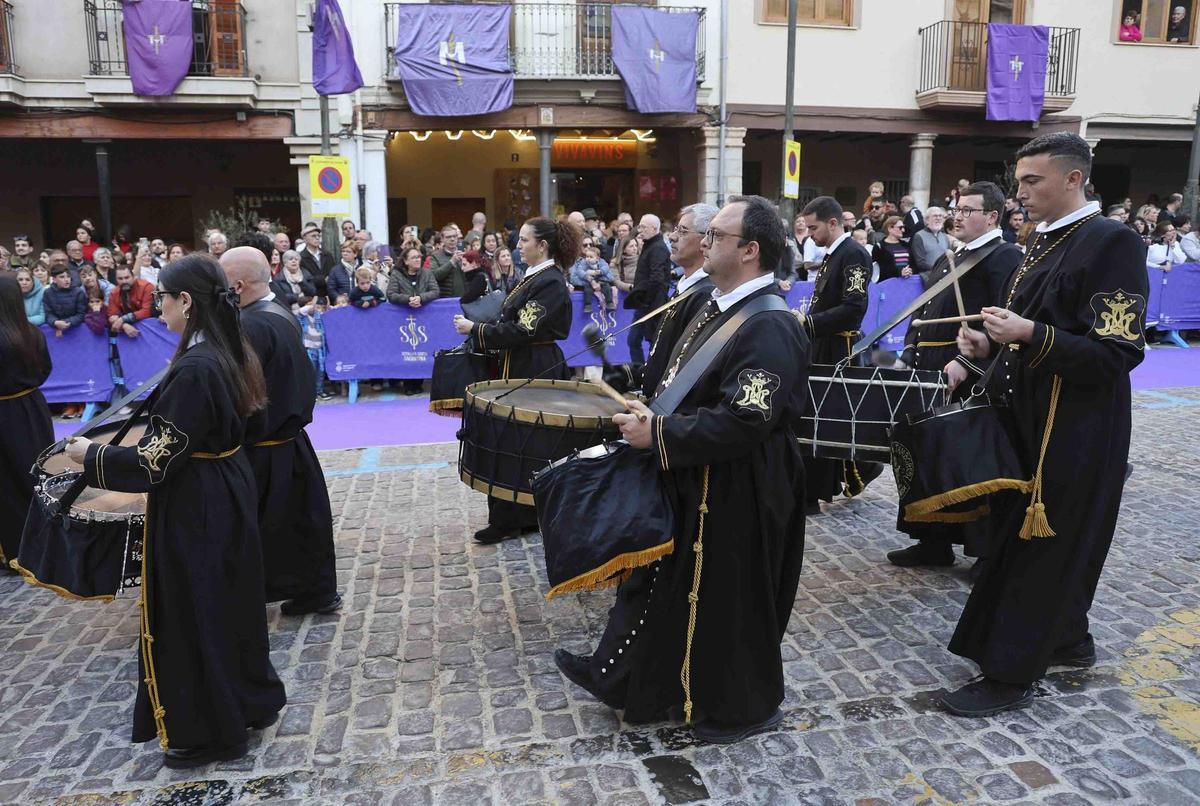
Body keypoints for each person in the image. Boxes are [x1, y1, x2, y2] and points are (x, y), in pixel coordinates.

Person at [555, 195, 809, 744]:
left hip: (742, 484)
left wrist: (662, 434)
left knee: (732, 600)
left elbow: (747, 419)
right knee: (671, 585)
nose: (703, 242)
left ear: (749, 250)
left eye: (716, 235)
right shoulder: (719, 305)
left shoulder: (769, 324)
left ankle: (746, 707)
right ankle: (626, 677)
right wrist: (653, 411)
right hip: (702, 471)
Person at [941, 132, 1149, 717]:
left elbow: (1116, 350)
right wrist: (987, 344)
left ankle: (1010, 673)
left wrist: (1029, 335)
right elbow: (1034, 327)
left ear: (1074, 178)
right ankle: (1067, 639)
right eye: (1019, 181)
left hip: (1075, 426)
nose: (1019, 193)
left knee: (1045, 545)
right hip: (1029, 417)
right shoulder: (1043, 242)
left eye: (1032, 181)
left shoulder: (1112, 241)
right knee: (1038, 539)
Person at [63, 254, 286, 767]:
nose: (157, 305)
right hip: (223, 487)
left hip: (198, 503)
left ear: (186, 301)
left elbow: (155, 459)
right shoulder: (228, 349)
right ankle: (247, 702)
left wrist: (89, 456)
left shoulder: (197, 366)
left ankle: (214, 729)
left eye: (162, 296)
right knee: (229, 602)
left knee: (197, 611)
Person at [890, 182, 1024, 571]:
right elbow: (924, 312)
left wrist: (969, 364)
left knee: (969, 462)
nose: (957, 216)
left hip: (966, 373)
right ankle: (932, 542)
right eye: (957, 208)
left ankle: (984, 551)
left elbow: (1004, 321)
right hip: (929, 369)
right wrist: (910, 354)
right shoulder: (950, 257)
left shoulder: (1003, 258)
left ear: (992, 217)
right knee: (929, 454)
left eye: (968, 210)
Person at [220, 247, 342, 615]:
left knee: (263, 528)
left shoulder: (250, 325)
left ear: (238, 286)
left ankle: (251, 598)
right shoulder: (276, 312)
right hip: (287, 440)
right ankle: (315, 590)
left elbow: (240, 393)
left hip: (263, 443)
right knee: (304, 522)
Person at [452, 217, 577, 545]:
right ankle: (515, 514)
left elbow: (525, 329)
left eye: (524, 240)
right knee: (514, 439)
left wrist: (476, 330)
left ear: (542, 246)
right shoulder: (533, 277)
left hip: (534, 366)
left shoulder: (549, 281)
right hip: (519, 362)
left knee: (523, 440)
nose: (518, 245)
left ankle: (514, 517)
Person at [798, 196, 881, 512]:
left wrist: (809, 322)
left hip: (838, 346)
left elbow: (853, 309)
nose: (810, 235)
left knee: (827, 417)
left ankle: (818, 489)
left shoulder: (854, 255)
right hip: (823, 342)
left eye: (814, 227)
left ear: (833, 223)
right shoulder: (832, 254)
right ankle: (853, 471)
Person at [0, 274, 54, 568]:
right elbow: (46, 369)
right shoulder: (33, 333)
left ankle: (18, 549)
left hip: (5, 414)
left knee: (8, 484)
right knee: (38, 475)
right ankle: (47, 542)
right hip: (33, 408)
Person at [638, 203, 718, 396]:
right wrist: (634, 375)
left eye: (682, 231)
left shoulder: (705, 294)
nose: (672, 237)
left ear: (705, 240)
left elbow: (685, 366)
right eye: (675, 229)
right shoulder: (687, 287)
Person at [625, 215, 672, 366]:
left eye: (644, 227)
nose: (640, 230)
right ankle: (640, 373)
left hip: (653, 304)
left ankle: (650, 376)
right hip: (645, 303)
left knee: (653, 342)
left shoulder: (658, 248)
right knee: (633, 340)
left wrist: (646, 298)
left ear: (654, 229)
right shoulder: (650, 245)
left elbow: (657, 278)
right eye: (640, 226)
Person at [107, 265, 155, 338]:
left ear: (133, 277)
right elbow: (112, 316)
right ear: (116, 280)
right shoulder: (114, 293)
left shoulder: (146, 287)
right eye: (120, 278)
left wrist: (123, 319)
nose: (124, 281)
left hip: (151, 327)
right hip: (128, 331)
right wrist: (124, 325)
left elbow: (147, 311)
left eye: (127, 277)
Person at [44, 265, 87, 337]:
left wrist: (65, 323)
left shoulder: (79, 292)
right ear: (54, 279)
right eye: (62, 277)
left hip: (75, 330)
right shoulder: (48, 293)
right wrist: (55, 322)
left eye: (68, 276)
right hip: (55, 330)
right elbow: (48, 313)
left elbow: (81, 314)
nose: (66, 279)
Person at [570, 243, 615, 312]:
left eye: (591, 257)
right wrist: (588, 277)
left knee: (607, 287)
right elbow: (579, 272)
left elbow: (608, 271)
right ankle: (587, 305)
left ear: (597, 258)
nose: (588, 259)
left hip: (601, 281)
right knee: (587, 290)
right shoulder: (582, 262)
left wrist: (600, 272)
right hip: (588, 282)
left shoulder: (601, 262)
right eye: (587, 256)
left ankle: (609, 302)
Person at [298, 224, 336, 297]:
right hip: (312, 296)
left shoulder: (327, 255)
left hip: (329, 294)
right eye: (313, 236)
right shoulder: (301, 258)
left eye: (318, 236)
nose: (317, 238)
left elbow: (333, 273)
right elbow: (306, 279)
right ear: (305, 239)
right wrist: (323, 280)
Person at [429, 225, 466, 298]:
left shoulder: (465, 254)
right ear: (442, 239)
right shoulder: (435, 256)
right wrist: (452, 261)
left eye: (454, 236)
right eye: (448, 237)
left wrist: (466, 262)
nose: (452, 239)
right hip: (447, 299)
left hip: (465, 298)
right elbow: (435, 276)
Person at [910, 207, 950, 273]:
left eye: (940, 216)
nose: (938, 218)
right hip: (928, 277)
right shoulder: (919, 236)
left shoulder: (944, 236)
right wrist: (938, 268)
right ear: (927, 220)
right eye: (935, 216)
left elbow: (948, 257)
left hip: (944, 276)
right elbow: (920, 263)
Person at [873, 216, 913, 281]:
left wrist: (910, 270)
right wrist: (899, 272)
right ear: (890, 228)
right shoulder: (879, 247)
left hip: (908, 282)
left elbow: (913, 263)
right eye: (900, 227)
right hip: (889, 284)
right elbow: (878, 269)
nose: (903, 230)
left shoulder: (906, 245)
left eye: (903, 227)